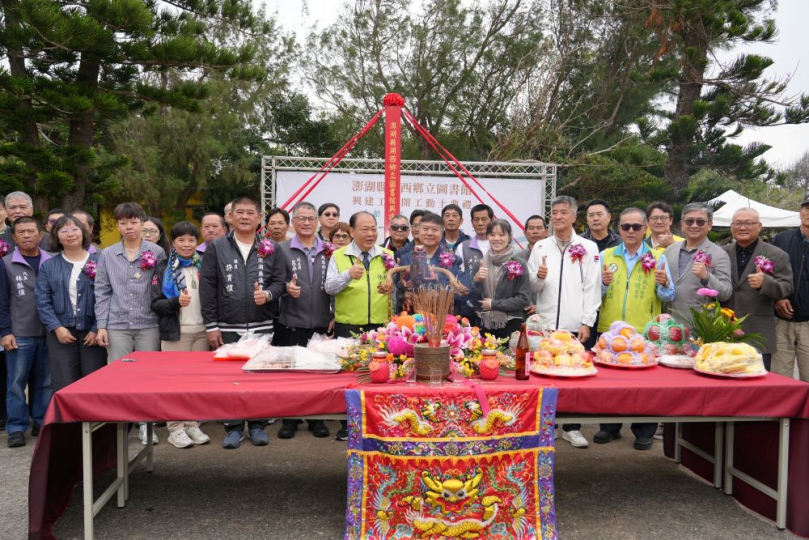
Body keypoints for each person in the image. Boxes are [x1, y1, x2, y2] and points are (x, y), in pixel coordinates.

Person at [200, 196, 285, 449]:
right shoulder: (217, 247)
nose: (245, 216)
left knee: (259, 377)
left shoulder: (271, 247)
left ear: (260, 218)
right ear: (230, 217)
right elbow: (208, 287)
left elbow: (280, 282)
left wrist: (268, 295)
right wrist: (211, 325)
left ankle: (257, 425)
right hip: (227, 324)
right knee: (229, 379)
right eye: (240, 212)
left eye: (251, 212)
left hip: (262, 324)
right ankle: (233, 427)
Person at [594, 208, 674, 451]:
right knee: (609, 382)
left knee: (646, 387)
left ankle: (644, 431)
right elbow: (592, 294)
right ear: (618, 228)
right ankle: (609, 427)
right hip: (610, 329)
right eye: (626, 226)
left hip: (644, 330)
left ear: (645, 229)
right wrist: (604, 285)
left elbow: (668, 294)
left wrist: (665, 284)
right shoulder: (606, 255)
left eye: (636, 227)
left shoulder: (658, 257)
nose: (630, 231)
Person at [527, 196, 600, 449]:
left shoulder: (588, 247)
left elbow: (592, 287)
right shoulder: (540, 247)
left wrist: (587, 322)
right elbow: (532, 287)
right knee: (546, 376)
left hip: (573, 323)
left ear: (574, 217)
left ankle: (572, 428)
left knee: (573, 377)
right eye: (554, 212)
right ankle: (548, 426)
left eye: (563, 212)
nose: (557, 216)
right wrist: (539, 276)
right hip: (545, 325)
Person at [94, 202, 165, 445]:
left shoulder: (156, 252)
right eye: (123, 222)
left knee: (148, 377)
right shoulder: (107, 254)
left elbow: (161, 289)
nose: (129, 227)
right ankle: (121, 428)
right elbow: (102, 291)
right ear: (117, 225)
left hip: (148, 323)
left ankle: (147, 426)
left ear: (142, 223)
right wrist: (102, 325)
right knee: (119, 377)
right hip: (117, 323)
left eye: (134, 221)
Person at [325, 211, 393, 442]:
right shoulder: (339, 255)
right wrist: (347, 275)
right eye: (364, 229)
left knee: (380, 376)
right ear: (352, 232)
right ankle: (347, 425)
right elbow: (329, 288)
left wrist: (391, 286)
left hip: (379, 327)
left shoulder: (387, 254)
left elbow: (395, 286)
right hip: (348, 327)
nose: (370, 233)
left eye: (374, 228)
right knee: (350, 378)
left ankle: (379, 424)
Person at [150, 221, 211, 448]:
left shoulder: (203, 264)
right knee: (174, 383)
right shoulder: (163, 267)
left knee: (195, 383)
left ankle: (192, 423)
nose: (187, 244)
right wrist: (176, 301)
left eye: (191, 240)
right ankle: (175, 428)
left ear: (197, 242)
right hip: (176, 334)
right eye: (181, 240)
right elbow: (155, 303)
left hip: (202, 332)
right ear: (173, 242)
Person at [274, 202, 332, 439]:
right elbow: (274, 282)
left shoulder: (329, 250)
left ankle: (317, 419)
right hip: (292, 321)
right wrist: (286, 288)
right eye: (301, 218)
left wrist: (334, 314)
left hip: (321, 320)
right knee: (293, 375)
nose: (306, 223)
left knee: (318, 373)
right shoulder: (282, 249)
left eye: (310, 218)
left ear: (317, 221)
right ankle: (290, 418)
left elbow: (337, 286)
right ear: (293, 223)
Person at [35, 214, 106, 393]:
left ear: (83, 233)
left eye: (74, 229)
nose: (70, 234)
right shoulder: (48, 266)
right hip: (60, 333)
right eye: (63, 230)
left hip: (93, 332)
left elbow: (108, 297)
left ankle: (94, 421)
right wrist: (56, 327)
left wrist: (97, 327)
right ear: (56, 236)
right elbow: (42, 300)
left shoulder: (100, 262)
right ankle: (69, 422)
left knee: (94, 381)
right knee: (64, 383)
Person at [0, 216, 53, 448]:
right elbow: (2, 301)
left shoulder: (52, 261)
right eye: (21, 232)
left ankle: (41, 423)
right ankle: (16, 427)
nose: (26, 235)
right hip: (20, 333)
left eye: (31, 231)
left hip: (50, 332)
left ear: (40, 235)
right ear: (14, 238)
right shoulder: (5, 263)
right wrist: (5, 331)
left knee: (46, 382)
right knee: (16, 383)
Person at [723, 208, 792, 372]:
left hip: (757, 332)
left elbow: (787, 288)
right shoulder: (723, 253)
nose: (743, 227)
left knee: (756, 389)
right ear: (731, 226)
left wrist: (765, 283)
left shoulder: (777, 254)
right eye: (738, 223)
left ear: (759, 226)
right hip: (724, 331)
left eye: (749, 223)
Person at [663, 203, 732, 316]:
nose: (694, 226)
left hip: (698, 325)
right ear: (682, 224)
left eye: (700, 222)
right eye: (689, 221)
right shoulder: (670, 250)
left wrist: (706, 277)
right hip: (668, 323)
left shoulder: (719, 254)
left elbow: (725, 293)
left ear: (709, 225)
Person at [770, 195, 809, 382]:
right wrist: (777, 297)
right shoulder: (781, 239)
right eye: (807, 208)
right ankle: (782, 413)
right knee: (780, 378)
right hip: (781, 320)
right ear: (800, 212)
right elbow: (766, 272)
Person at [469, 219, 530, 339]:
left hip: (511, 326)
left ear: (509, 237)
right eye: (492, 234)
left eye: (501, 234)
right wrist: (477, 280)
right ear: (488, 237)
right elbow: (471, 298)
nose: (496, 238)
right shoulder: (480, 264)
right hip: (483, 325)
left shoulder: (519, 264)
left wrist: (494, 304)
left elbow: (524, 299)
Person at [395, 212, 463, 313]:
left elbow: (457, 294)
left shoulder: (453, 260)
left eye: (435, 230)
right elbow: (399, 289)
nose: (429, 233)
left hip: (441, 318)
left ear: (442, 232)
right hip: (412, 319)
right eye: (425, 229)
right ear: (419, 230)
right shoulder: (406, 258)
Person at [581, 199, 621, 347]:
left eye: (599, 214)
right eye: (591, 215)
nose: (595, 218)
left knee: (612, 350)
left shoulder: (621, 243)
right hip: (585, 308)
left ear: (609, 217)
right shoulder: (578, 243)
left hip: (612, 307)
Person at [455, 204, 493, 324]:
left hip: (495, 306)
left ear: (492, 220)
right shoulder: (463, 247)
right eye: (476, 219)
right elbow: (459, 277)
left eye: (484, 219)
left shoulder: (499, 246)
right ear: (472, 222)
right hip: (470, 308)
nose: (480, 223)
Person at [520, 215, 548, 319]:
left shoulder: (556, 256)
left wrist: (540, 307)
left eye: (539, 228)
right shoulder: (516, 259)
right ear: (525, 233)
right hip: (523, 313)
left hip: (548, 314)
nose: (535, 231)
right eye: (531, 228)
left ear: (546, 231)